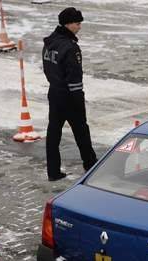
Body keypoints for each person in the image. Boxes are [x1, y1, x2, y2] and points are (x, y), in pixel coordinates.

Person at [42, 7, 97, 181]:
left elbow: (48, 69)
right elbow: (74, 77)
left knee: (53, 133)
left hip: (55, 93)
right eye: (77, 23)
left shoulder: (50, 43)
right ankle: (90, 165)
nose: (79, 26)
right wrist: (78, 99)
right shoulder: (70, 48)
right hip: (69, 96)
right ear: (68, 24)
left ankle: (53, 171)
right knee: (82, 131)